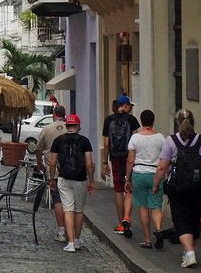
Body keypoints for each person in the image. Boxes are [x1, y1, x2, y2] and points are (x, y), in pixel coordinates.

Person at [153, 109, 201, 269]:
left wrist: (156, 184)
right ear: (194, 122)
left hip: (177, 188)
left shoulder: (170, 142)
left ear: (177, 123)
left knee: (181, 219)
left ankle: (190, 253)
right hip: (198, 187)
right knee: (193, 219)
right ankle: (188, 252)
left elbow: (162, 167)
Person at [49, 114, 95, 253]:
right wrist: (91, 181)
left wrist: (52, 179)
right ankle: (77, 240)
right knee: (79, 210)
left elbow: (52, 163)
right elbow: (89, 163)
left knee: (68, 209)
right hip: (80, 179)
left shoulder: (58, 140)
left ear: (67, 126)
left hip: (64, 178)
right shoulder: (85, 141)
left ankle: (69, 242)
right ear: (78, 126)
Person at [124, 109, 166, 249]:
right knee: (156, 206)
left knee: (143, 207)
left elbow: (130, 160)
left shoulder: (135, 138)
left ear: (141, 122)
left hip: (139, 173)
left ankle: (147, 239)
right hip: (155, 173)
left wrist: (127, 178)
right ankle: (159, 229)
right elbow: (165, 158)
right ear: (153, 122)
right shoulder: (160, 138)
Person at [102, 94, 141, 237]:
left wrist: (105, 162)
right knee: (128, 188)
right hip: (129, 157)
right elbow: (136, 140)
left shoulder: (108, 120)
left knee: (118, 190)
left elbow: (106, 143)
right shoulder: (131, 120)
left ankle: (121, 224)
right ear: (124, 106)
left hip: (115, 158)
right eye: (129, 105)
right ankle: (127, 218)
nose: (130, 108)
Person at [34, 105, 68, 242]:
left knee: (58, 200)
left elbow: (38, 149)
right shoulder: (71, 128)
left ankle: (61, 231)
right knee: (70, 202)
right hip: (71, 170)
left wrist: (39, 163)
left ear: (54, 114)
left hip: (53, 170)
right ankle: (72, 232)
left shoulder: (47, 129)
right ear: (64, 114)